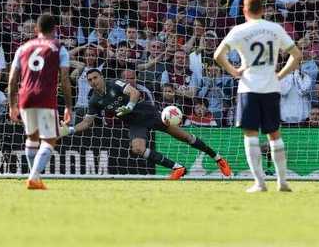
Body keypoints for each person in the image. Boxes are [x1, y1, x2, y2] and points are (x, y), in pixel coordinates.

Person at [62, 68, 232, 179]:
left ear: (101, 77)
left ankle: (218, 158)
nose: (93, 81)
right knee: (137, 149)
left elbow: (134, 92)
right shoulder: (94, 100)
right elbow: (86, 122)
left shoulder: (115, 83)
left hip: (148, 113)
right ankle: (178, 168)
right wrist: (69, 130)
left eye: (95, 78)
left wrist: (129, 106)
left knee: (185, 137)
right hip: (135, 123)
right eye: (90, 79)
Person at [214, 0, 303, 193]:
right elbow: (297, 55)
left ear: (244, 10)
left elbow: (218, 55)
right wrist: (280, 74)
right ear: (262, 9)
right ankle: (282, 182)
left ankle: (260, 183)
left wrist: (234, 71)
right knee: (274, 134)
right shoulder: (274, 28)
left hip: (249, 87)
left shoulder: (239, 30)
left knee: (250, 135)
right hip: (271, 87)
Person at [7, 13, 73, 190]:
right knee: (49, 140)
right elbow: (65, 79)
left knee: (32, 137)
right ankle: (34, 177)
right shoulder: (59, 47)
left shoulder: (23, 48)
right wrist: (68, 106)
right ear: (55, 29)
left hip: (25, 96)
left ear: (36, 29)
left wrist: (12, 104)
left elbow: (12, 79)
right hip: (45, 96)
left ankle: (34, 177)